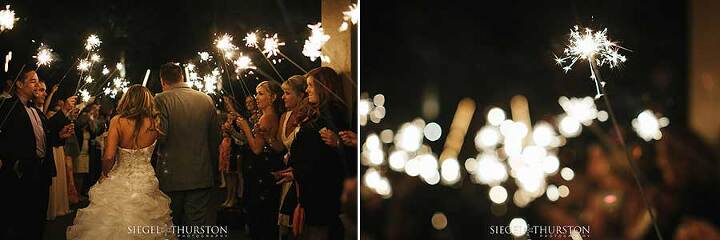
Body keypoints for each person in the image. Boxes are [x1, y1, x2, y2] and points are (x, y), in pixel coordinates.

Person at [67, 85, 174, 239]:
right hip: (146, 179)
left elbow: (109, 156)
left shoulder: (118, 121)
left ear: (127, 100)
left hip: (120, 177)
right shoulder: (154, 123)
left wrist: (105, 173)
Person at [0, 68, 75, 239]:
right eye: (32, 81)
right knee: (18, 222)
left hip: (41, 172)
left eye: (37, 80)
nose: (37, 84)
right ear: (19, 84)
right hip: (20, 174)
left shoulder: (36, 110)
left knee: (38, 221)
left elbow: (45, 138)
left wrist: (59, 135)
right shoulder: (7, 107)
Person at [154, 63, 220, 228]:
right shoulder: (206, 99)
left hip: (171, 174)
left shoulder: (161, 99)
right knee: (196, 227)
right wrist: (214, 170)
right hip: (201, 173)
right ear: (182, 76)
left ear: (163, 81)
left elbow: (162, 136)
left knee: (171, 225)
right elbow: (214, 139)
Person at [289, 67, 348, 239]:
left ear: (323, 87)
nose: (306, 90)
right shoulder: (320, 115)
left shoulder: (331, 116)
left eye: (310, 86)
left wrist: (297, 169)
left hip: (321, 195)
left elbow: (319, 159)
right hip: (313, 192)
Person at [235, 80, 285, 239]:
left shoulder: (268, 117)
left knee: (260, 217)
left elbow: (256, 148)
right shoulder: (264, 116)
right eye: (257, 93)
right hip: (259, 171)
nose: (256, 97)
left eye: (261, 94)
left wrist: (245, 127)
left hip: (261, 172)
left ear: (273, 97)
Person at [269, 75, 307, 240]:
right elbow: (279, 146)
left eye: (287, 93)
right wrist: (267, 137)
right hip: (287, 175)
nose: (283, 97)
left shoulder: (307, 117)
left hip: (300, 173)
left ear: (300, 95)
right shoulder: (284, 117)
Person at [34, 80, 71, 220]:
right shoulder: (41, 112)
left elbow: (47, 135)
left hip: (45, 165)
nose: (44, 93)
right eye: (41, 90)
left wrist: (61, 136)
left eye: (45, 90)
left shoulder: (39, 113)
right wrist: (65, 109)